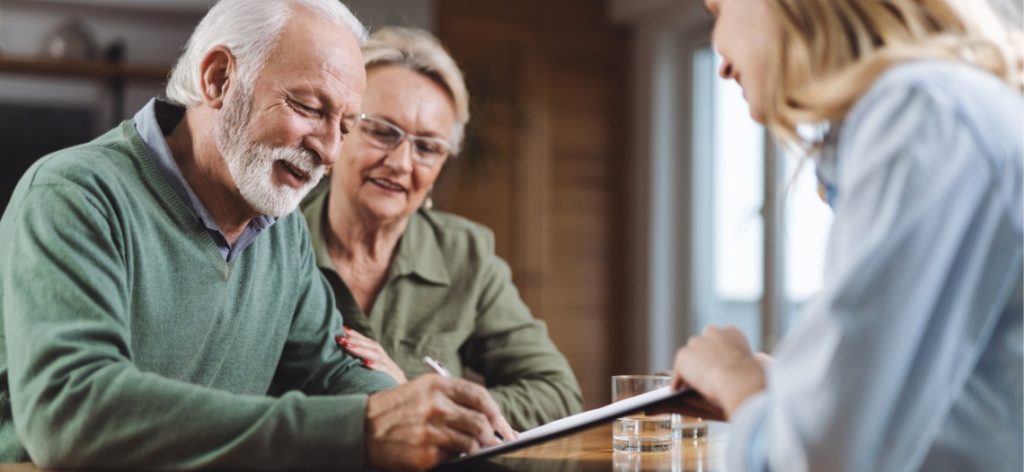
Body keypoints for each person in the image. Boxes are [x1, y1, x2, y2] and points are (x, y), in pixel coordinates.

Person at [0, 1, 516, 469]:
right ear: (219, 78)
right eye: (311, 108)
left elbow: (332, 369)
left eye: (344, 125)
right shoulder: (73, 195)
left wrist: (424, 421)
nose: (330, 153)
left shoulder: (281, 230)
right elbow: (71, 412)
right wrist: (365, 428)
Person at [670, 0, 1023, 470]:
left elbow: (820, 460)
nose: (720, 58)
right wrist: (797, 394)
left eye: (718, 10)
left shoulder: (922, 119)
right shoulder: (932, 112)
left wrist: (735, 379)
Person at [300, 27, 583, 431]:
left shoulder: (465, 254)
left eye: (427, 147)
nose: (401, 163)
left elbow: (557, 396)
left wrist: (419, 396)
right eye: (382, 131)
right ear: (341, 128)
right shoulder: (272, 240)